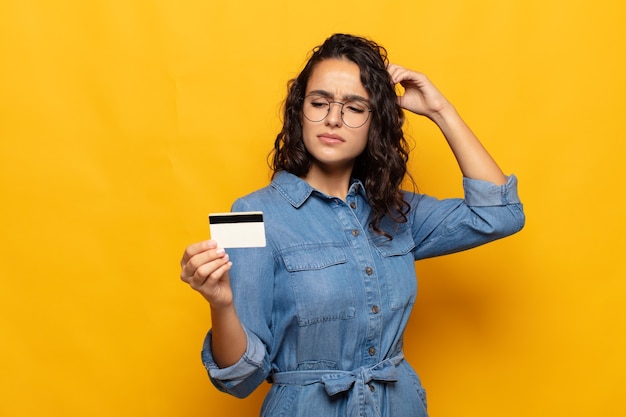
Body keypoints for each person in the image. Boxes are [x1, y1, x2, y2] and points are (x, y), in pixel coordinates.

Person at [180, 33, 525, 417]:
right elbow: (239, 378)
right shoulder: (250, 214)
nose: (333, 118)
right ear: (299, 110)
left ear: (375, 122)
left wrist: (441, 111)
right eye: (320, 102)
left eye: (355, 108)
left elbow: (500, 214)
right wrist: (221, 303)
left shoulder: (395, 213)